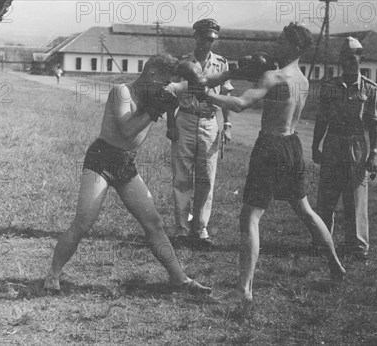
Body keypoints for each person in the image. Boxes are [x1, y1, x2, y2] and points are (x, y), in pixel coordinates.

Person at [197, 23, 346, 304]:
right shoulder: (302, 80)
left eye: (282, 41)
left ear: (294, 46)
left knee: (250, 217)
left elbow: (240, 103)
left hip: (270, 147)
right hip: (292, 145)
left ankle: (243, 290)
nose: (277, 45)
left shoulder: (275, 76)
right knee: (305, 210)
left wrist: (207, 96)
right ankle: (336, 265)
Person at [44, 54, 211, 295]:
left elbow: (195, 84)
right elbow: (126, 130)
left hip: (125, 163)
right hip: (101, 160)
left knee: (154, 223)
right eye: (163, 82)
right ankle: (53, 275)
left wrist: (201, 84)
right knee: (83, 223)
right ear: (152, 74)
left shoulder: (157, 92)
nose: (165, 88)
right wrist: (155, 109)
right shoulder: (121, 92)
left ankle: (179, 278)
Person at [311, 37, 377, 262]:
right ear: (341, 60)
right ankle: (322, 242)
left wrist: (373, 153)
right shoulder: (330, 87)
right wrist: (315, 145)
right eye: (347, 59)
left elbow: (374, 124)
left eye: (355, 58)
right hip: (333, 143)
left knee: (356, 198)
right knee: (326, 198)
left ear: (361, 58)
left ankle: (357, 246)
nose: (352, 63)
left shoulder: (370, 89)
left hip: (357, 146)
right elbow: (322, 119)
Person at [166, 18, 233, 246]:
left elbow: (226, 96)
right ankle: (182, 229)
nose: (207, 43)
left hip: (209, 123)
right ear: (195, 36)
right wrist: (170, 125)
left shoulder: (221, 63)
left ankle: (201, 228)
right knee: (182, 176)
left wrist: (227, 125)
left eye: (211, 40)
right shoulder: (183, 63)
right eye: (204, 38)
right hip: (185, 119)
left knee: (206, 178)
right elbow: (171, 95)